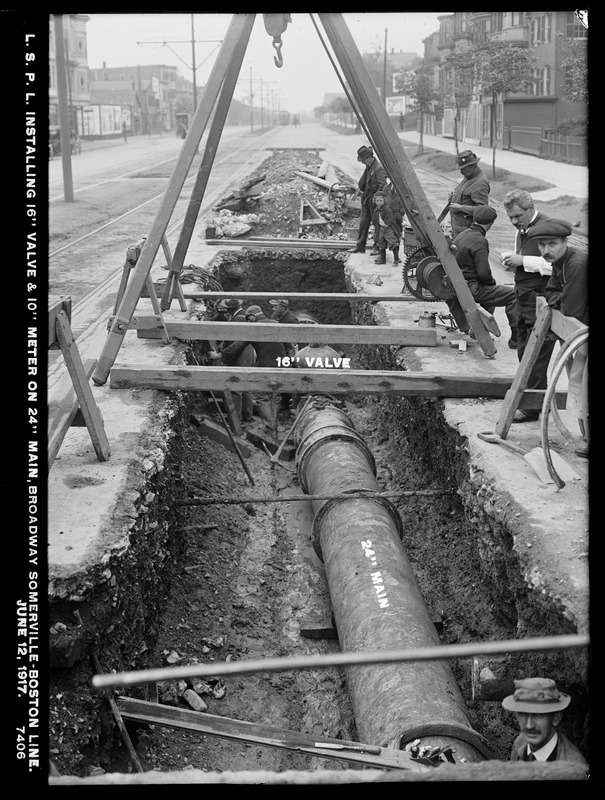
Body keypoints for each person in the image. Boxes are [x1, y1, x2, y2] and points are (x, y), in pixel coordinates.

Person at [526, 219, 589, 455]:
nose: (546, 251)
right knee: (579, 382)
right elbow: (550, 292)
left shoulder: (577, 264)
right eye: (541, 245)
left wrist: (558, 299)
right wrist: (559, 298)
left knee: (582, 382)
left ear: (565, 242)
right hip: (581, 330)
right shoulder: (560, 262)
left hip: (582, 329)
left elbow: (570, 309)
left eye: (552, 244)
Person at [501, 190, 555, 423]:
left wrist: (523, 261)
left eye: (517, 216)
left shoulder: (548, 228)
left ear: (530, 209)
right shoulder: (522, 230)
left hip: (540, 298)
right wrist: (514, 260)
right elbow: (524, 255)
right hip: (524, 296)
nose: (514, 221)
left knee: (538, 352)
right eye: (510, 217)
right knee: (524, 349)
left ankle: (533, 408)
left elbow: (555, 265)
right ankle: (534, 399)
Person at [446, 205, 518, 348]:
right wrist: (492, 282)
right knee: (514, 295)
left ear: (474, 219)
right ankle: (516, 339)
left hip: (457, 284)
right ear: (491, 224)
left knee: (491, 291)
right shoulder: (479, 240)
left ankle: (478, 329)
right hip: (471, 287)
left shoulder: (463, 234)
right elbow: (484, 273)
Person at [219, 305, 286, 440]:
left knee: (262, 397)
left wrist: (220, 356)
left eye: (249, 319)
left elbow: (237, 346)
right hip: (281, 364)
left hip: (266, 366)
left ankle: (271, 429)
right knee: (275, 396)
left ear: (254, 315)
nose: (249, 322)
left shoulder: (254, 328)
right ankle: (275, 426)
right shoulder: (276, 324)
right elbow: (289, 344)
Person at [501, 677, 588, 767]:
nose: (529, 725)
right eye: (523, 714)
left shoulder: (573, 769)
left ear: (556, 718)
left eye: (539, 715)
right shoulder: (520, 743)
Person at [217, 298, 255, 423]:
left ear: (230, 309)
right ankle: (247, 416)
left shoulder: (239, 319)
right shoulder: (242, 315)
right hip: (248, 353)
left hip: (242, 355)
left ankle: (236, 419)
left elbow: (237, 343)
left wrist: (221, 355)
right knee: (246, 387)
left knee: (236, 387)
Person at [348, 145, 387, 254]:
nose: (362, 162)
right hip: (366, 198)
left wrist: (377, 199)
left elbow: (383, 186)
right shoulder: (369, 167)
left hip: (374, 200)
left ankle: (378, 247)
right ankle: (360, 246)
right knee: (363, 223)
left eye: (363, 160)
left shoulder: (378, 168)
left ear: (369, 157)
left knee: (377, 224)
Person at [448, 150, 490, 238]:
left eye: (463, 168)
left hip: (467, 233)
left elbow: (482, 210)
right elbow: (464, 196)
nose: (461, 171)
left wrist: (460, 208)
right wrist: (453, 197)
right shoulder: (468, 177)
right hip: (458, 230)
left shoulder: (480, 183)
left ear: (471, 166)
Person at [269, 299, 300, 410]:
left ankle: (291, 405)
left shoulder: (291, 320)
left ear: (283, 308)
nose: (273, 309)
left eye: (275, 307)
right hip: (282, 353)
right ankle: (284, 404)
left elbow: (295, 340)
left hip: (288, 355)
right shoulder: (279, 318)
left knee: (288, 380)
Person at [372, 189, 402, 266]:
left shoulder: (387, 210)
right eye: (377, 201)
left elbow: (389, 221)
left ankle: (396, 259)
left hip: (388, 229)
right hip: (380, 228)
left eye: (380, 200)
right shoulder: (376, 210)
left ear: (384, 200)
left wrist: (385, 224)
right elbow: (375, 220)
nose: (378, 202)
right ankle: (383, 259)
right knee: (381, 243)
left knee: (393, 243)